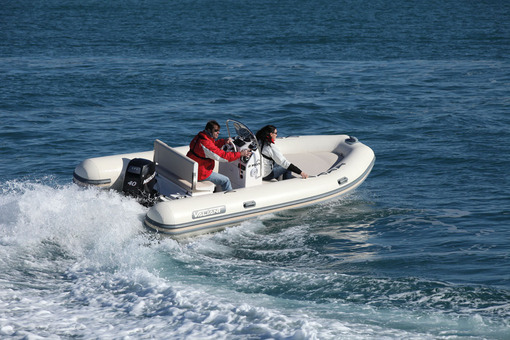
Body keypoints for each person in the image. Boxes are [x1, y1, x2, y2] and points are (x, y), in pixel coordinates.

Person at [187, 120, 252, 191]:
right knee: (226, 181)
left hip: (193, 168)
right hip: (201, 172)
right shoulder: (205, 143)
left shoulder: (200, 137)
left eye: (218, 130)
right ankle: (229, 200)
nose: (218, 132)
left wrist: (223, 142)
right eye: (216, 130)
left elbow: (212, 146)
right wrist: (241, 154)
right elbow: (222, 156)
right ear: (209, 130)